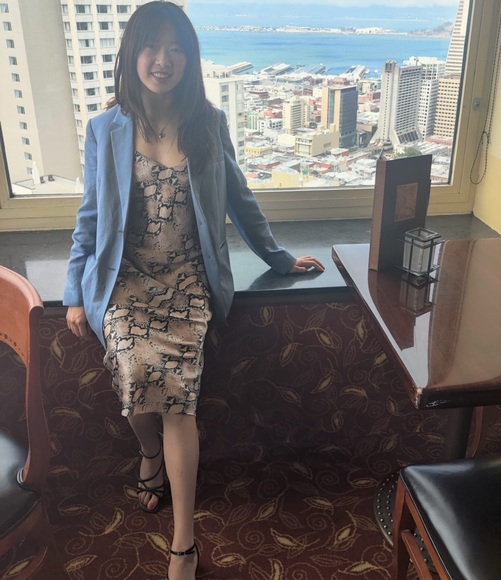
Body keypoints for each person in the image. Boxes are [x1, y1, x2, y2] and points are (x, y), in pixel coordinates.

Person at [63, 2, 324, 579]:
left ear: (190, 58)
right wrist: (74, 290)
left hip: (186, 282)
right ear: (131, 54)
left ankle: (184, 542)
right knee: (134, 376)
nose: (164, 59)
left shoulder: (208, 122)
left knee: (178, 401)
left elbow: (241, 199)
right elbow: (90, 218)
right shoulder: (104, 129)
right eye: (152, 46)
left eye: (176, 48)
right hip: (128, 280)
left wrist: (280, 259)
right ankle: (148, 451)